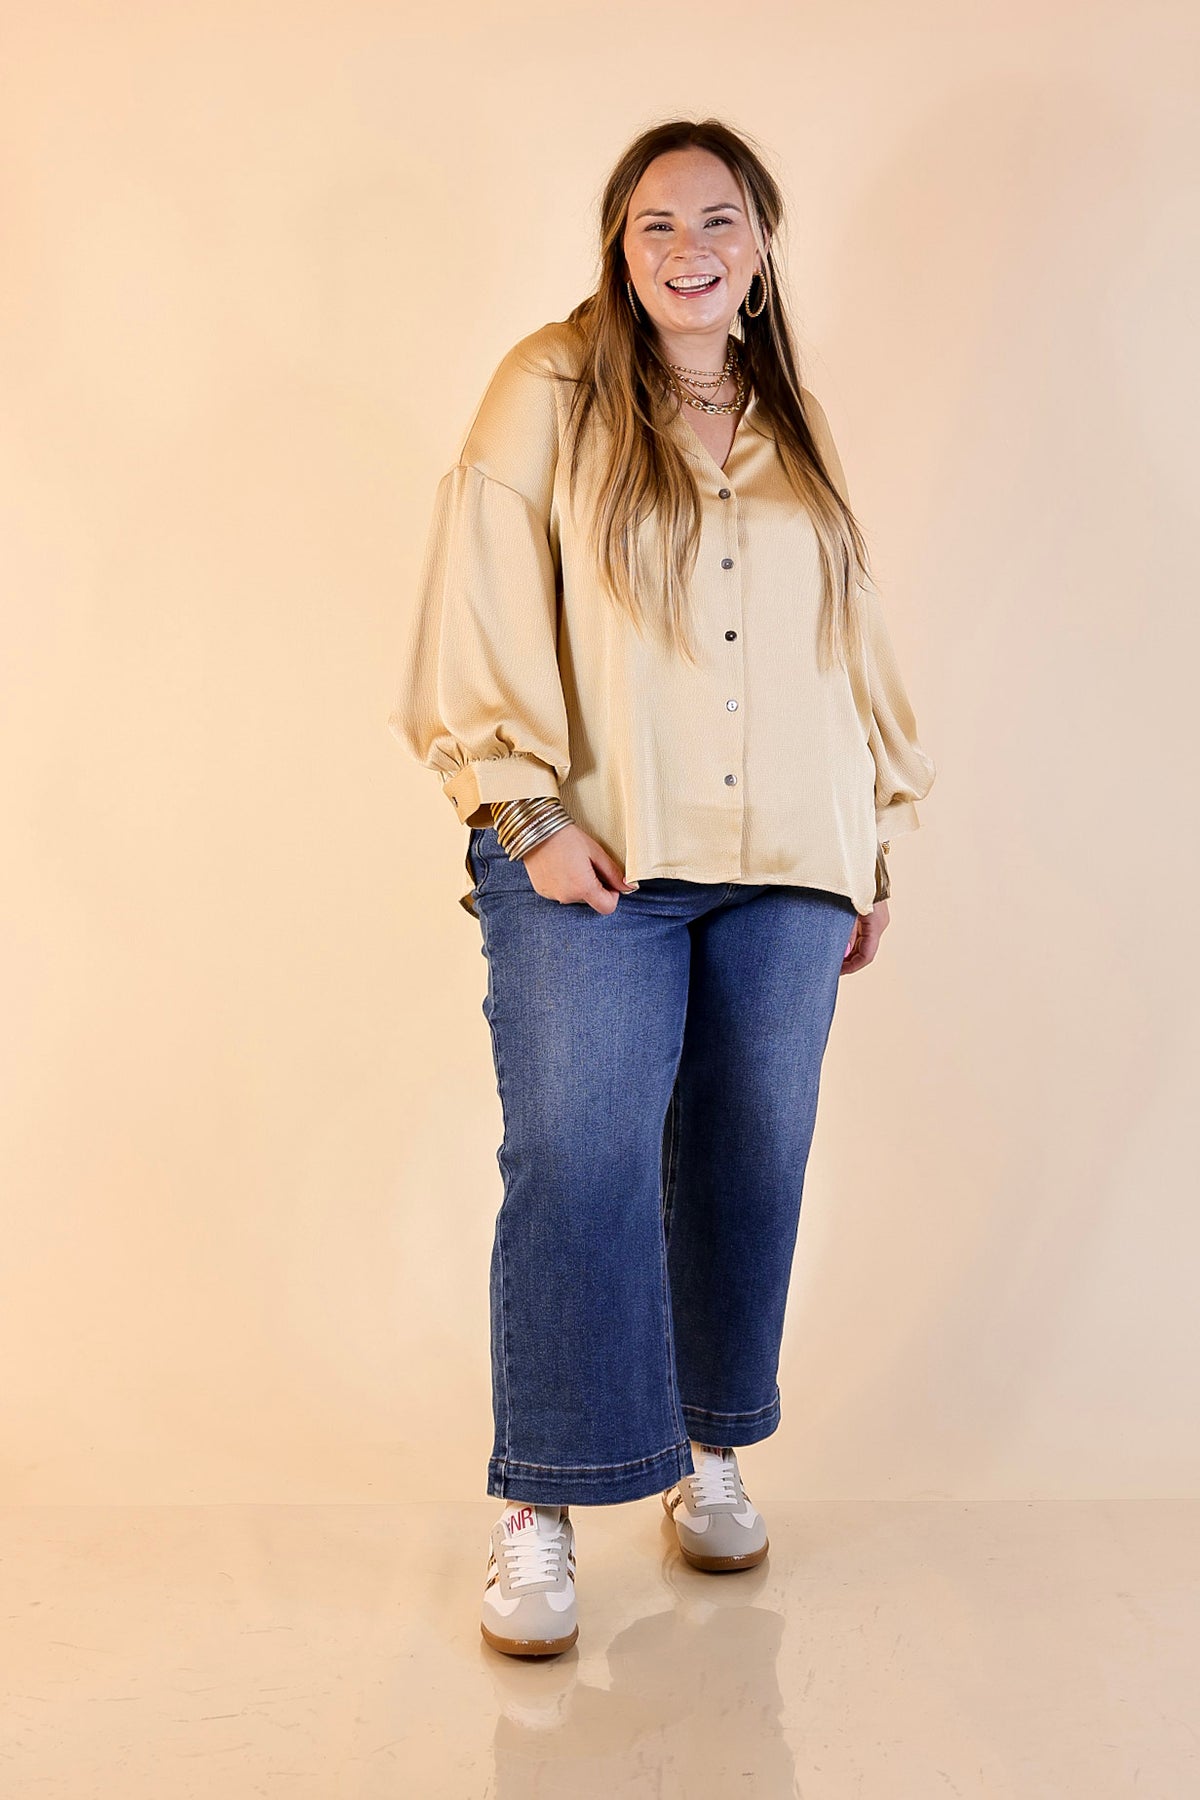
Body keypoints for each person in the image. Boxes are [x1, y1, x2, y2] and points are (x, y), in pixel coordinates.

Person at [389, 117, 936, 1659]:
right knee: (580, 1158)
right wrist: (523, 811)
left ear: (761, 244)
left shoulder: (791, 420)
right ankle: (542, 1505)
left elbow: (847, 640)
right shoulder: (549, 387)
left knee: (754, 1155)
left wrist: (868, 840)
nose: (689, 247)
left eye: (718, 219)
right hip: (598, 856)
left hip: (790, 868)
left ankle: (712, 1450)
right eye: (655, 224)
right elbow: (478, 596)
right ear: (618, 250)